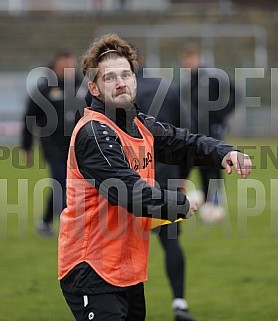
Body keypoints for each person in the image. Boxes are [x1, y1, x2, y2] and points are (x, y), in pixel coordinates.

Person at [58, 33, 252, 321]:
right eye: (109, 78)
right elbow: (128, 192)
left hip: (127, 268)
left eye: (126, 74)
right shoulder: (94, 133)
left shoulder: (138, 124)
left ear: (136, 80)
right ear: (95, 89)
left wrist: (223, 151)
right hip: (92, 268)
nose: (121, 82)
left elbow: (182, 142)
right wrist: (180, 204)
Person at [136, 65, 196, 321]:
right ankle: (180, 303)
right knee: (171, 241)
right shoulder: (167, 88)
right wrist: (182, 174)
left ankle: (120, 307)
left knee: (123, 245)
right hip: (166, 176)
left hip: (129, 180)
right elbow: (186, 134)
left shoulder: (115, 91)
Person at [21, 50, 87, 237]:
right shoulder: (45, 87)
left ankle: (45, 221)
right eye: (64, 62)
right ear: (56, 64)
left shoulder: (82, 85)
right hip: (53, 146)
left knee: (71, 184)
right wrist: (26, 147)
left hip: (78, 146)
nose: (68, 65)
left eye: (70, 61)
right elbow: (29, 117)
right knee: (61, 183)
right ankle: (70, 227)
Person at [179, 42, 236, 219]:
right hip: (197, 131)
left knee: (217, 161)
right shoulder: (189, 81)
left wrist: (221, 115)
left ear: (197, 58)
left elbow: (234, 93)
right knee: (202, 163)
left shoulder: (212, 77)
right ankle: (206, 198)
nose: (187, 65)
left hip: (213, 129)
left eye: (190, 60)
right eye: (185, 62)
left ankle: (217, 199)